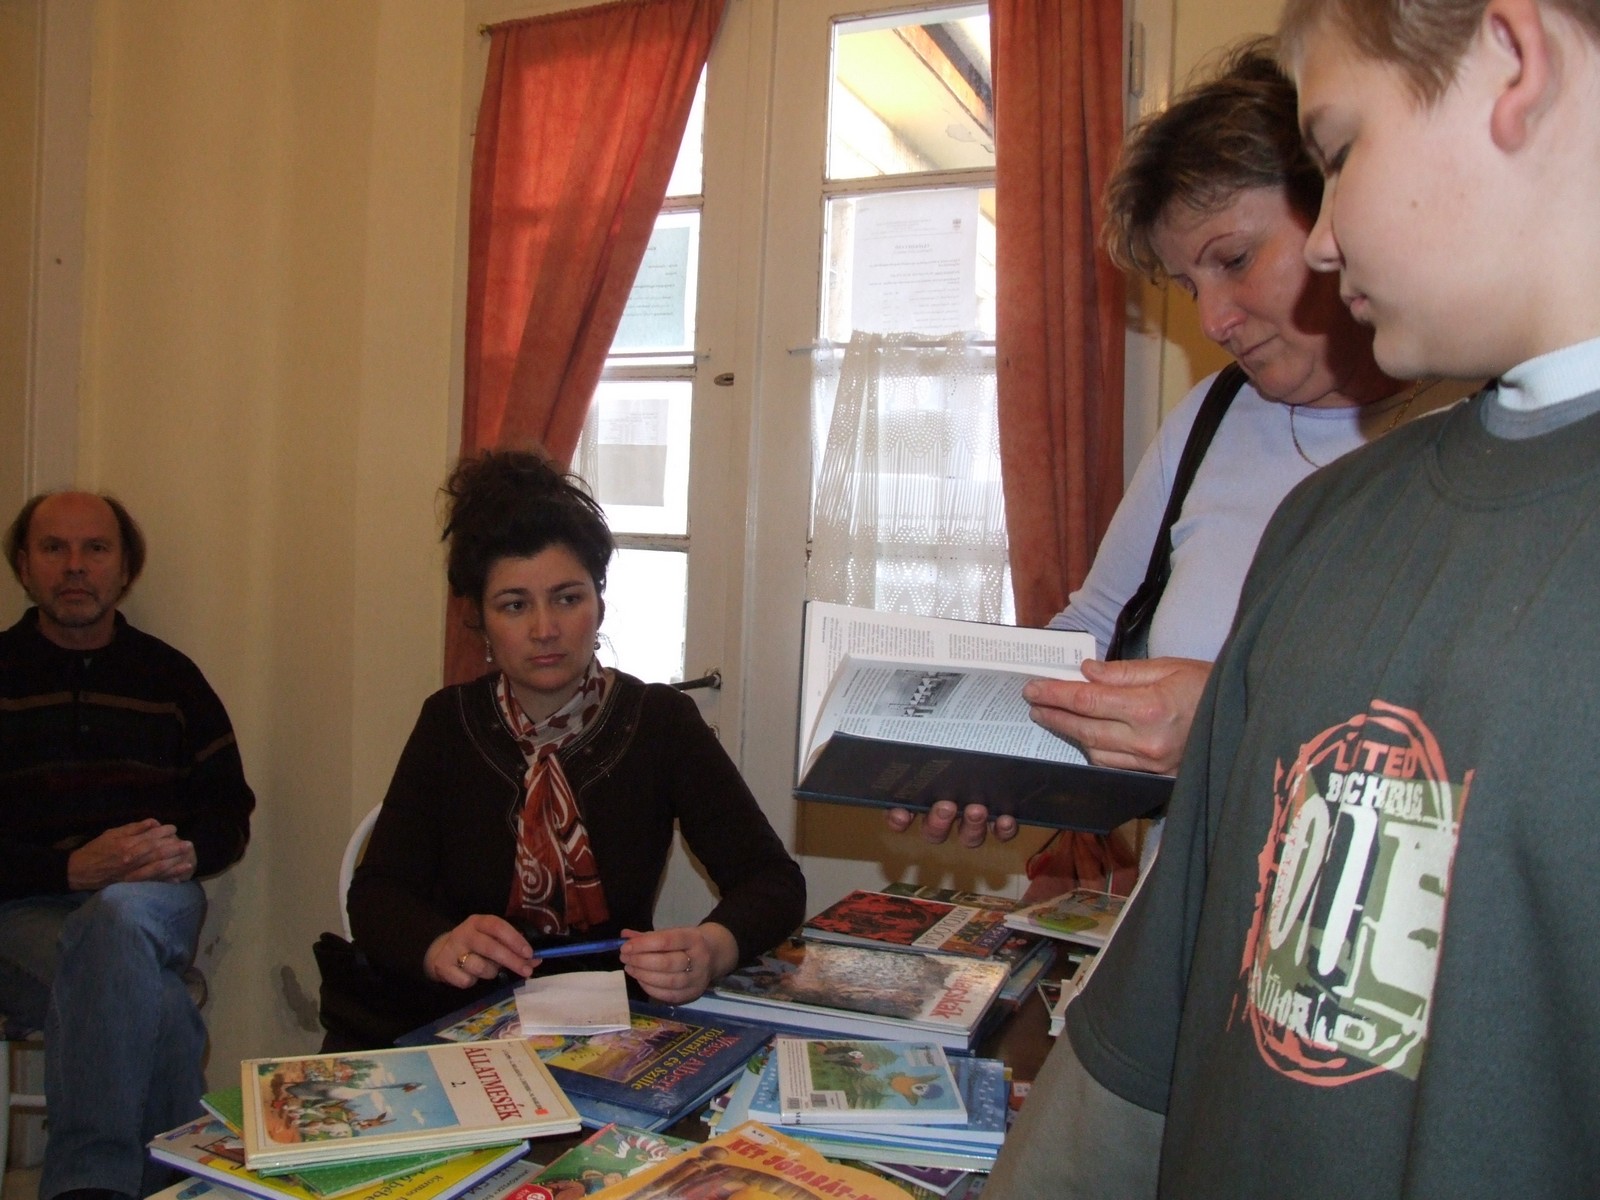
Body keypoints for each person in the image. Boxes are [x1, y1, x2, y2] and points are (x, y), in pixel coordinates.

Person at [986, 0, 1600, 1194]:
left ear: (1513, 63)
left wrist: (1227, 722)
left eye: (1340, 155)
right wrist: (992, 750)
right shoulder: (1322, 510)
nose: (1322, 248)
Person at [889, 41, 1466, 874]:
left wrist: (1232, 719)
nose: (1214, 320)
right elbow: (1092, 632)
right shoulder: (1212, 417)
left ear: (1341, 212)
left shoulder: (1491, 424)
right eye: (1189, 285)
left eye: (1235, 260)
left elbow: (1486, 732)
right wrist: (981, 747)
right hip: (1186, 917)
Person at [324, 449, 805, 1048]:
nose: (545, 629)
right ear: (480, 620)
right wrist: (439, 945)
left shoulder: (659, 722)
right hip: (456, 1021)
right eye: (514, 605)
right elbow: (378, 894)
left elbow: (771, 880)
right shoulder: (449, 723)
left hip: (608, 1027)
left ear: (599, 602)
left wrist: (713, 948)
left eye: (567, 598)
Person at [0, 490, 255, 1200]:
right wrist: (66, 868)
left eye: (96, 549)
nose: (75, 566)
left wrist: (185, 854)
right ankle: (176, 1183)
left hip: (153, 899)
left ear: (125, 568)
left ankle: (87, 1185)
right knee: (159, 1001)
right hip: (22, 911)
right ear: (24, 566)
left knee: (117, 918)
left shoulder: (172, 678)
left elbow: (229, 811)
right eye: (54, 548)